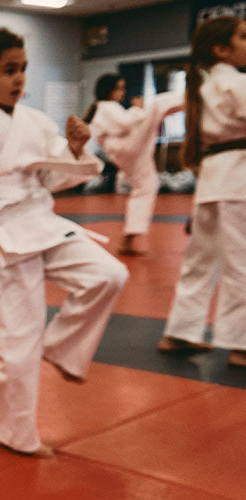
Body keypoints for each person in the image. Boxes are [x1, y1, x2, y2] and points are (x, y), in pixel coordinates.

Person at [0, 29, 128, 458]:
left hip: (40, 217)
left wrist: (73, 147)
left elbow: (53, 177)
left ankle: (61, 348)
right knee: (17, 339)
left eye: (22, 69)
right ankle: (17, 433)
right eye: (8, 70)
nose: (19, 79)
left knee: (110, 274)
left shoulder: (35, 121)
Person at [159, 16, 246, 366]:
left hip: (212, 180)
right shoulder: (234, 82)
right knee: (241, 262)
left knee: (199, 261)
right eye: (244, 36)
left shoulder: (203, 87)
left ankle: (180, 332)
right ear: (221, 50)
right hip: (237, 180)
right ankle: (242, 344)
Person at [84, 75, 183, 254]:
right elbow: (123, 124)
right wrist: (137, 110)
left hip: (126, 150)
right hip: (124, 146)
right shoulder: (106, 106)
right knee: (157, 106)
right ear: (108, 90)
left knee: (147, 186)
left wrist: (137, 112)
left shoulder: (107, 108)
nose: (122, 93)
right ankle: (190, 98)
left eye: (122, 88)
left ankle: (129, 237)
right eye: (119, 88)